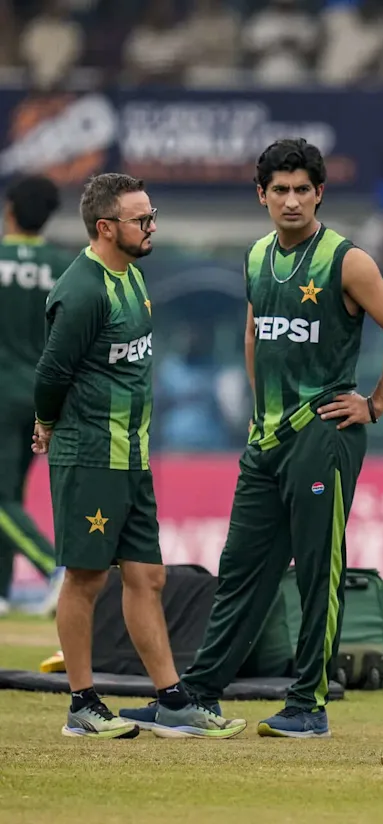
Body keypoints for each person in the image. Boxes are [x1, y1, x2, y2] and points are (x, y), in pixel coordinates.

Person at [122, 138, 383, 738]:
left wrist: (375, 405)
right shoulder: (257, 255)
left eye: (302, 190)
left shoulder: (346, 261)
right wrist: (260, 410)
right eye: (280, 190)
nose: (291, 201)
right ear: (261, 195)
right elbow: (254, 332)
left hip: (324, 433)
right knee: (239, 569)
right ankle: (197, 697)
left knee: (316, 570)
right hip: (266, 440)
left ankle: (309, 705)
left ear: (319, 193)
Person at [34, 173, 245, 739]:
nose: (152, 227)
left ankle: (172, 701)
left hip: (132, 456)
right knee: (85, 579)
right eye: (141, 219)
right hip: (91, 456)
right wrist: (46, 423)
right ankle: (82, 705)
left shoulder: (132, 276)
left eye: (153, 216)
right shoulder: (83, 290)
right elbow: (51, 372)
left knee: (148, 577)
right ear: (106, 227)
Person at [0, 175, 72, 617]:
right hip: (43, 396)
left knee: (1, 499)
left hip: (0, 394)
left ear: (9, 210)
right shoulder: (64, 267)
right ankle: (3, 590)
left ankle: (54, 568)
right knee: (8, 493)